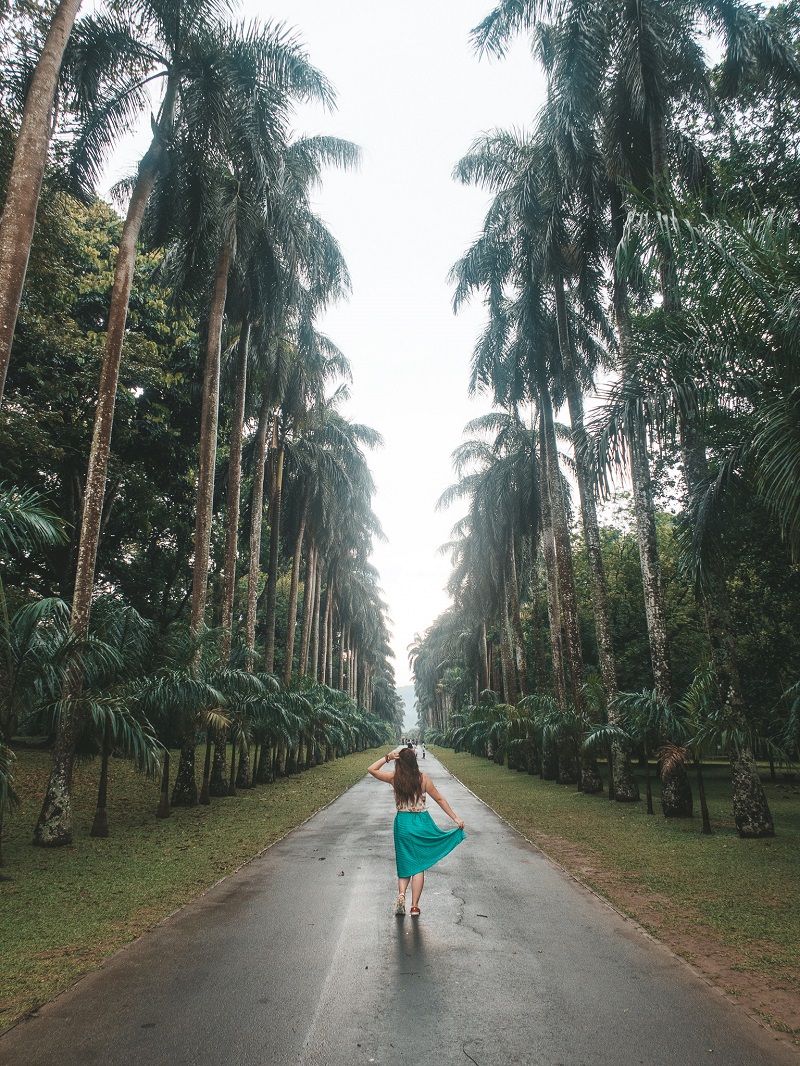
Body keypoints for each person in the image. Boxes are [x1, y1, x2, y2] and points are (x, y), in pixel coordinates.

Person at [368, 747, 465, 918]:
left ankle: (401, 895)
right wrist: (455, 818)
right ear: (414, 762)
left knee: (404, 862)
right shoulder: (423, 779)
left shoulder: (394, 778)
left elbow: (372, 769)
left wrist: (387, 757)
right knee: (419, 865)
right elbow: (439, 799)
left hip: (402, 824)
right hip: (420, 823)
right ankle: (414, 907)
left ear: (399, 762)